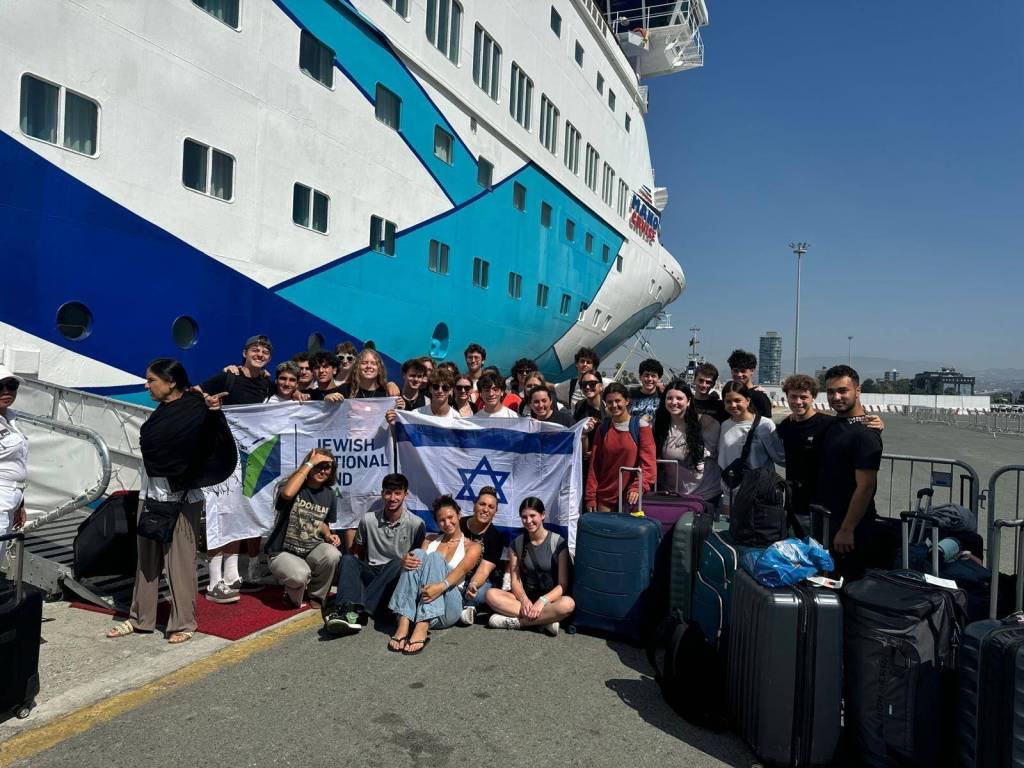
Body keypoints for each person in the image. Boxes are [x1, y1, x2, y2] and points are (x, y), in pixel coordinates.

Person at [107, 359, 235, 644]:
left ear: (171, 382)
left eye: (151, 380)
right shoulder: (163, 412)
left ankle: (184, 623)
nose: (146, 385)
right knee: (147, 559)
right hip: (151, 494)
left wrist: (215, 414)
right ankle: (140, 617)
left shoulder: (197, 408)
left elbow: (212, 445)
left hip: (182, 498)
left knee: (180, 562)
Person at [198, 334, 275, 604]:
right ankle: (213, 581)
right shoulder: (227, 376)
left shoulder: (266, 383)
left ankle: (231, 576)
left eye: (265, 352)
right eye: (255, 349)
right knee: (220, 515)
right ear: (244, 353)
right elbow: (195, 393)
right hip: (221, 458)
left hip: (247, 459)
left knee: (238, 515)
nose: (260, 354)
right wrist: (209, 404)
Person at [324, 473, 426, 635]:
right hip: (372, 572)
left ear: (405, 494)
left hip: (395, 579)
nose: (392, 498)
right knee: (348, 559)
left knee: (397, 562)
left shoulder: (416, 524)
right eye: (388, 492)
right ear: (382, 493)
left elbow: (416, 559)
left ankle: (354, 610)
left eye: (397, 493)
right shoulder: (368, 520)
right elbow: (359, 552)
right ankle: (352, 607)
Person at [386, 496, 482, 654]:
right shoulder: (430, 540)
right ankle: (403, 622)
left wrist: (440, 587)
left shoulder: (472, 546)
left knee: (436, 557)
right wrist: (405, 561)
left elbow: (461, 571)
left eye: (450, 517)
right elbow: (415, 572)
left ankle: (423, 625)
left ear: (459, 515)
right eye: (441, 520)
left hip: (447, 604)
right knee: (416, 553)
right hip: (418, 603)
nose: (447, 523)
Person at [814, 365, 883, 581]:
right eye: (831, 391)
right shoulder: (832, 425)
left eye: (843, 390)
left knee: (846, 589)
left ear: (857, 390)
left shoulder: (866, 434)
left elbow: (866, 486)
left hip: (850, 530)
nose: (836, 396)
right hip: (826, 522)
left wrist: (847, 528)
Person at [265, 448, 342, 608]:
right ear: (309, 464)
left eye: (327, 467)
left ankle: (316, 595)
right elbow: (287, 494)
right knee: (300, 575)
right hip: (282, 552)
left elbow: (322, 523)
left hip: (309, 550)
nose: (322, 470)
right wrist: (310, 462)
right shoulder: (293, 485)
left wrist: (328, 535)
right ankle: (292, 595)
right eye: (318, 465)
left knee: (332, 554)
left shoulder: (329, 495)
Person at [486, 498, 574, 634]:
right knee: (491, 595)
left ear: (542, 515)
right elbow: (515, 581)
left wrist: (542, 601)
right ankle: (545, 622)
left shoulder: (558, 542)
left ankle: (519, 623)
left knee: (568, 604)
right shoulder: (517, 544)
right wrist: (524, 599)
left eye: (533, 516)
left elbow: (563, 584)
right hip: (525, 600)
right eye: (524, 517)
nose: (528, 521)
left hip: (550, 600)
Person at [586, 383, 656, 513]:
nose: (614, 405)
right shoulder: (603, 429)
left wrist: (638, 487)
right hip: (605, 497)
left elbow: (649, 465)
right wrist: (590, 496)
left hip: (632, 499)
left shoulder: (641, 427)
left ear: (627, 401)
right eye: (610, 402)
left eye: (618, 401)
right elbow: (595, 465)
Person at [717, 381, 785, 514]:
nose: (733, 405)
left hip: (758, 492)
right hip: (730, 490)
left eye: (738, 400)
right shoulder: (724, 425)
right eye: (728, 401)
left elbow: (780, 457)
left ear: (747, 401)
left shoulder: (765, 425)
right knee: (729, 531)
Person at [652, 380, 722, 504]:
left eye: (679, 398)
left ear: (688, 401)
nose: (674, 402)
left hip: (706, 496)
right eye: (669, 398)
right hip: (676, 496)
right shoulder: (659, 426)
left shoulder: (706, 423)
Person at [458, 487, 507, 624]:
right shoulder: (459, 524)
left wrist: (473, 584)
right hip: (455, 573)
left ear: (495, 512)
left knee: (479, 593)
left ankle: (468, 604)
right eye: (482, 504)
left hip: (480, 581)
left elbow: (484, 569)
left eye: (491, 507)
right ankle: (466, 605)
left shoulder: (495, 537)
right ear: (474, 505)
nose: (486, 509)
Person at [0, 365, 28, 551]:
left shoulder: (11, 418)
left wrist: (20, 503)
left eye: (11, 385)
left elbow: (17, 464)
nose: (6, 391)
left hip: (10, 502)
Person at [726, 349, 773, 418]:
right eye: (735, 371)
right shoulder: (728, 393)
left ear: (752, 371)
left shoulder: (760, 397)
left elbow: (766, 423)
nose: (739, 374)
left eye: (743, 371)